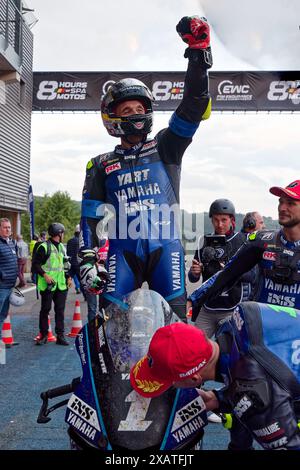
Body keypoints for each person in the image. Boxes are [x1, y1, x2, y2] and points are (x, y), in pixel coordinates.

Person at [79, 15, 213, 320]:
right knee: (112, 333)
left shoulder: (167, 146)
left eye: (140, 108)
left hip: (167, 252)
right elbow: (89, 220)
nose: (135, 113)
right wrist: (87, 260)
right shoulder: (100, 165)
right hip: (121, 256)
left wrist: (198, 54)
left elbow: (194, 105)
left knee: (177, 332)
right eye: (127, 109)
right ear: (112, 117)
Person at [188, 179, 300, 449]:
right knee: (241, 418)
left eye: (291, 203)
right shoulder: (262, 241)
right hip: (254, 346)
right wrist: (194, 298)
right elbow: (225, 276)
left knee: (289, 422)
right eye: (280, 202)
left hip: (292, 350)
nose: (283, 207)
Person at [130, 311, 300, 450]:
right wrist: (219, 398)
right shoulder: (239, 318)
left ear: (194, 379)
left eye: (171, 383)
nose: (172, 386)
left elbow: (289, 444)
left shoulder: (256, 396)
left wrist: (238, 399)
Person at [188, 199, 256, 338]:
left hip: (232, 308)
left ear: (232, 220)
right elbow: (193, 279)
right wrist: (194, 272)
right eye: (216, 220)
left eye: (224, 220)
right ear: (211, 220)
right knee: (195, 345)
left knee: (229, 353)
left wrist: (231, 272)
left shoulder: (244, 240)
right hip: (208, 307)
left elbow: (252, 276)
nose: (219, 224)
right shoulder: (203, 241)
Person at [32, 222, 71, 346]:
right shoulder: (43, 247)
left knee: (60, 311)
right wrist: (45, 275)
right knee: (45, 310)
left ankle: (60, 336)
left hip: (61, 285)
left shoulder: (61, 247)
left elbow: (65, 265)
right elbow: (35, 265)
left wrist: (68, 277)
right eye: (62, 233)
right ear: (58, 234)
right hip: (48, 285)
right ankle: (43, 335)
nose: (63, 235)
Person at [0, 218, 18, 347]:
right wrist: (3, 275)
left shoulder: (11, 243)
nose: (8, 230)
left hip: (9, 285)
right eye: (5, 227)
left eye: (9, 227)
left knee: (3, 314)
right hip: (1, 286)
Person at [66, 226, 83, 295]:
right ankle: (85, 296)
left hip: (71, 263)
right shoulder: (81, 242)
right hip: (78, 264)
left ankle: (64, 294)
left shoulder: (70, 241)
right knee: (82, 280)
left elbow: (67, 253)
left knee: (68, 278)